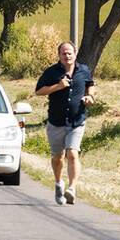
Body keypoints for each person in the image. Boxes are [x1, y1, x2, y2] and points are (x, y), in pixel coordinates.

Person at [35, 41, 95, 205]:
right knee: (58, 157)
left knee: (72, 153)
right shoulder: (51, 72)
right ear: (59, 55)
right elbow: (39, 91)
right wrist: (57, 86)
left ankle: (72, 188)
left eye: (70, 53)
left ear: (75, 54)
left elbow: (90, 84)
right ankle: (58, 182)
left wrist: (90, 96)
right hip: (56, 122)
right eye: (64, 53)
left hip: (77, 121)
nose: (67, 56)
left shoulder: (84, 70)